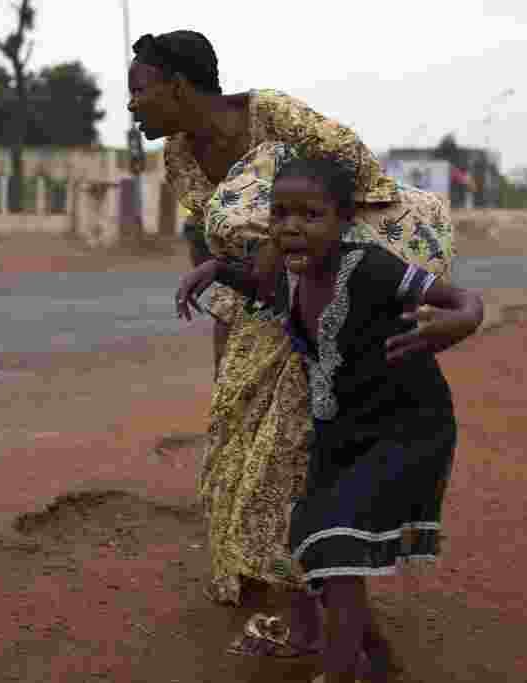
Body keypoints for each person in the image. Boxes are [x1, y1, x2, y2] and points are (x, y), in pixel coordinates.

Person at [129, 28, 455, 649]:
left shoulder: (269, 114)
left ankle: (330, 627)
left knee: (293, 459)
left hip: (324, 292)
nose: (132, 106)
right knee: (230, 441)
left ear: (176, 85)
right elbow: (220, 244)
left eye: (139, 92)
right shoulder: (176, 158)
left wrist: (300, 245)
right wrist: (227, 353)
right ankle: (278, 595)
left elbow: (360, 174)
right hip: (259, 300)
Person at [176, 155, 484, 682]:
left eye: (310, 215)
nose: (292, 226)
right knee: (313, 542)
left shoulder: (369, 267)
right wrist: (213, 268)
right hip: (341, 434)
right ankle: (372, 661)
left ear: (342, 221)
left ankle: (340, 671)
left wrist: (456, 324)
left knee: (333, 540)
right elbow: (257, 284)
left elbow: (462, 298)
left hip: (404, 426)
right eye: (281, 213)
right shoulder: (290, 278)